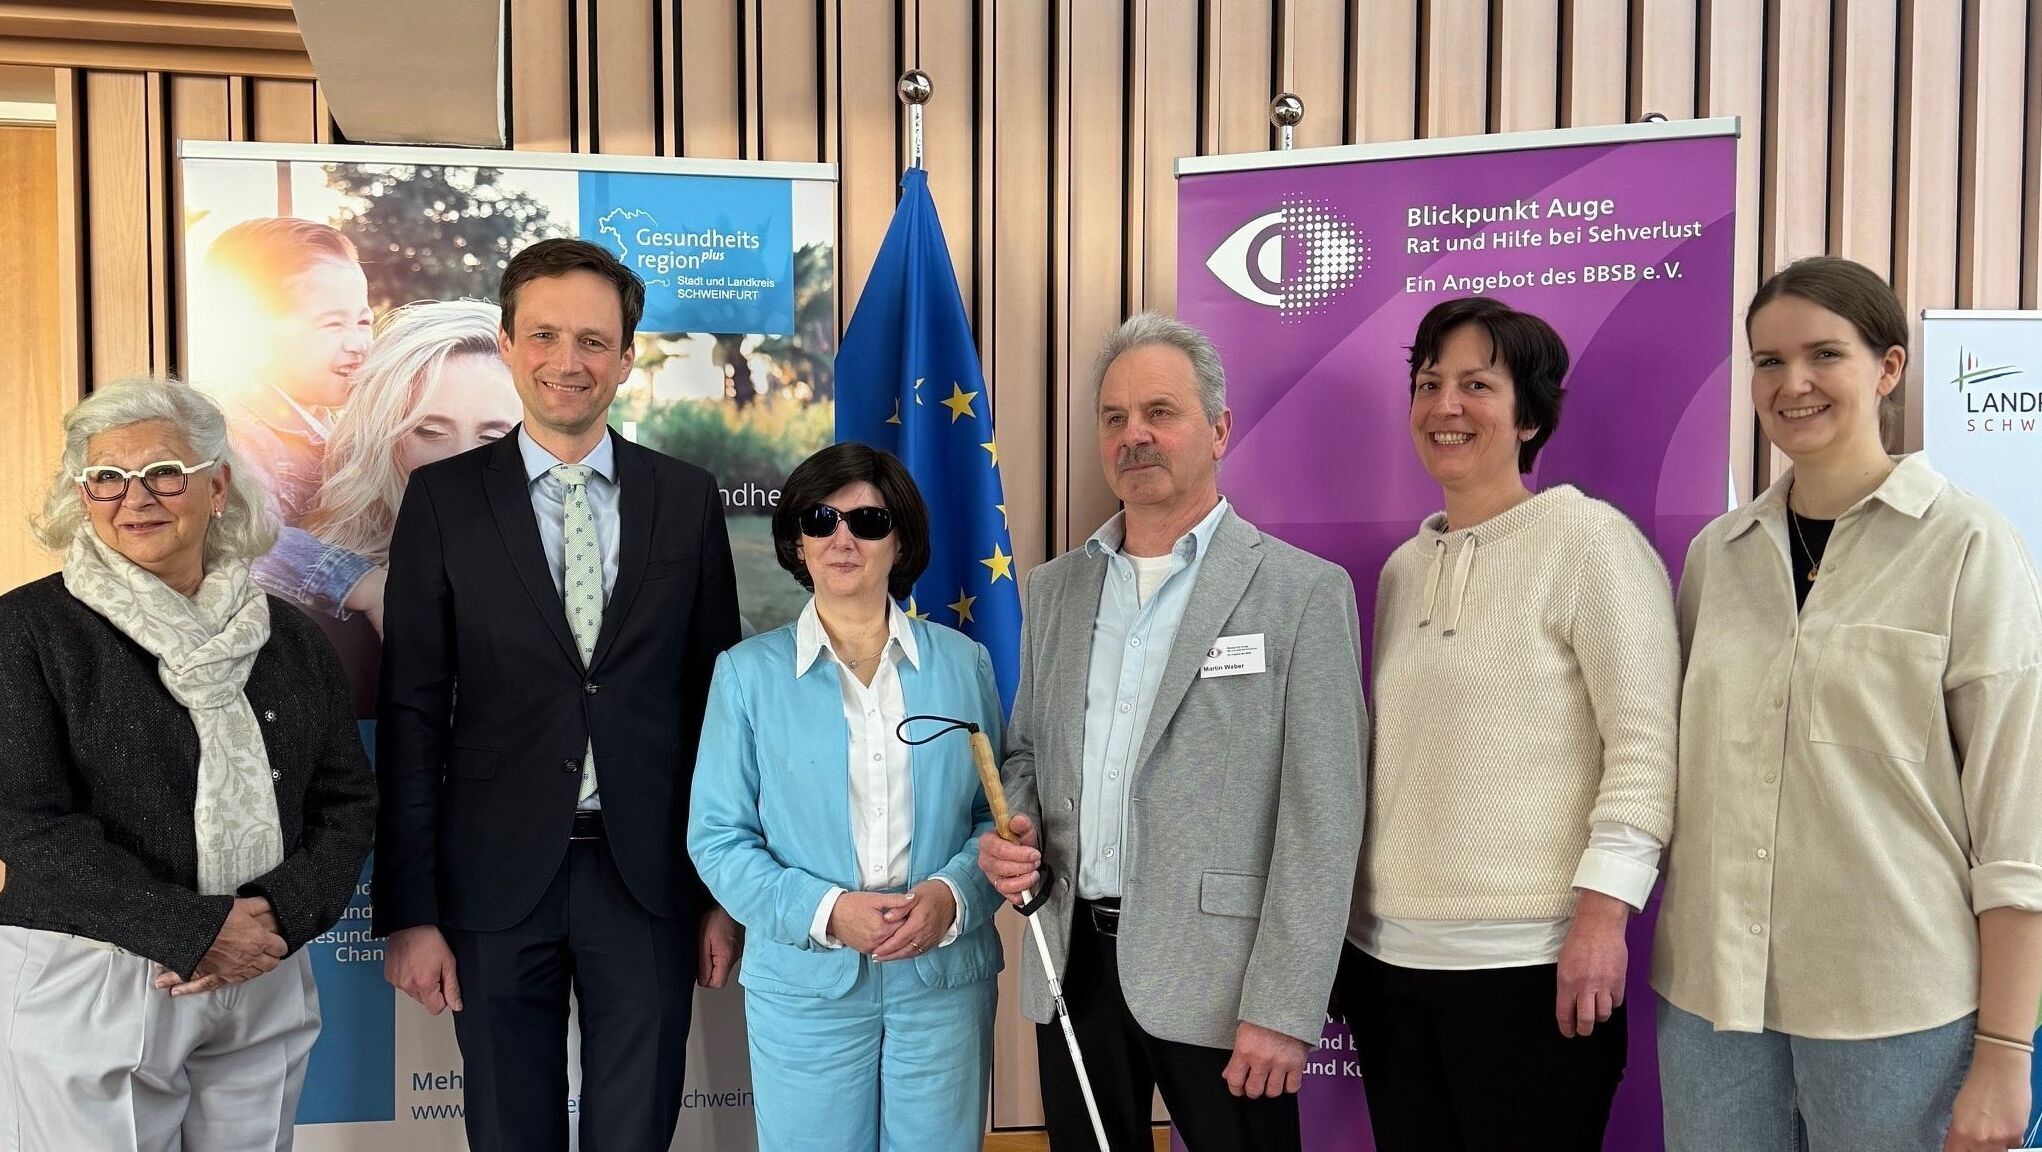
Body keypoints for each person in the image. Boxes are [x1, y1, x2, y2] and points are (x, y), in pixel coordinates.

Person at [1654, 256, 2042, 1152]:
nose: (1792, 383)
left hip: (1895, 1011)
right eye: (1768, 361)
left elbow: (2018, 824)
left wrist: (2005, 1051)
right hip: (1714, 1005)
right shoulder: (1719, 556)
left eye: (1824, 354)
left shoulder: (1968, 546)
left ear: (1888, 367)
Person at [374, 237, 745, 1152]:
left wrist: (721, 893)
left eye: (592, 340)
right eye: (543, 335)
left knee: (637, 1131)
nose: (566, 361)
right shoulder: (442, 503)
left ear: (626, 355)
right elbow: (413, 716)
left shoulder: (687, 499)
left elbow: (716, 708)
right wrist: (411, 912)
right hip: (492, 883)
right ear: (507, 343)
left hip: (649, 880)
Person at [978, 312, 1367, 1151]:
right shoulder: (1054, 591)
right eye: (1115, 417)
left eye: (1161, 412)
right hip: (1072, 965)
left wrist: (1284, 1005)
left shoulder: (1302, 594)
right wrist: (1017, 822)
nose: (1135, 435)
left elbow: (1324, 820)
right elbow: (1027, 753)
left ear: (1219, 429)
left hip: (1226, 988)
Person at [1331, 296, 1679, 1151]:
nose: (1445, 405)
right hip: (1389, 967)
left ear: (1529, 417)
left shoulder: (1589, 541)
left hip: (1533, 967)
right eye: (1428, 383)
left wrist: (1603, 919)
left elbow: (1645, 748)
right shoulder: (1405, 569)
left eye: (1476, 385)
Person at [0, 378, 377, 1152]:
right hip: (95, 970)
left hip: (262, 965)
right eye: (107, 477)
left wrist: (276, 916)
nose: (135, 498)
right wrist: (190, 929)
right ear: (83, 494)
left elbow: (347, 802)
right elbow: (26, 823)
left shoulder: (288, 636)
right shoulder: (27, 631)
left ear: (217, 486)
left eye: (164, 473)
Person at [688, 442, 1005, 1152]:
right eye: (820, 519)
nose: (842, 538)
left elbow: (997, 816)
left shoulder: (966, 665)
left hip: (943, 983)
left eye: (868, 522)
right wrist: (829, 912)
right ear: (797, 542)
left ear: (901, 542)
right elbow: (718, 838)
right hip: (806, 987)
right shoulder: (745, 675)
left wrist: (952, 897)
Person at [257, 299, 519, 711]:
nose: (461, 460)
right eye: (430, 432)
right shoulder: (315, 612)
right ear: (383, 440)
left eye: (493, 438)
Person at [194, 217, 374, 528]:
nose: (358, 344)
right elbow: (260, 542)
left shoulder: (341, 427)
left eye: (363, 322)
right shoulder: (239, 438)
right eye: (333, 324)